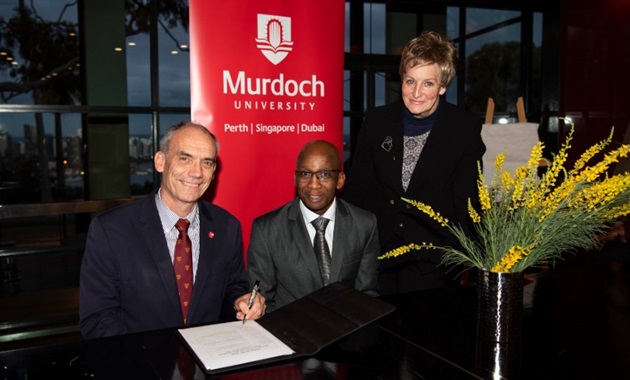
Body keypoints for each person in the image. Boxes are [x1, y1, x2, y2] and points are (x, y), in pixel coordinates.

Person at [79, 121, 265, 339]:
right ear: (160, 162)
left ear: (214, 171)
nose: (196, 172)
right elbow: (98, 318)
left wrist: (240, 302)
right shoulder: (111, 230)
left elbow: (232, 288)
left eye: (207, 162)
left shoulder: (226, 227)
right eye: (184, 158)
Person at [342, 31, 486, 295]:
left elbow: (467, 202)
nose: (416, 93)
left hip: (431, 261)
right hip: (377, 257)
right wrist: (348, 248)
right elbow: (356, 190)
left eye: (428, 84)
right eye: (410, 81)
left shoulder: (463, 129)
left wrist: (463, 257)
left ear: (443, 85)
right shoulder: (377, 122)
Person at [247, 140, 380, 312]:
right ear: (295, 179)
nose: (313, 184)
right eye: (305, 174)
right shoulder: (267, 230)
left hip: (347, 333)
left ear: (340, 180)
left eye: (324, 174)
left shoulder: (364, 224)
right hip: (290, 334)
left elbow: (366, 294)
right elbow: (263, 302)